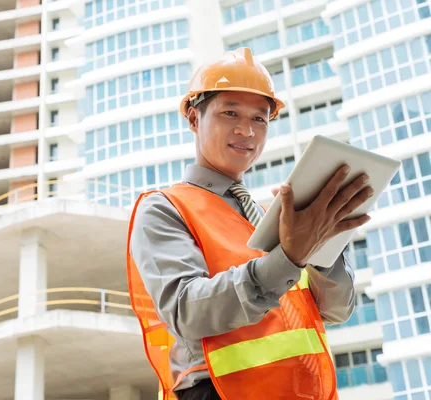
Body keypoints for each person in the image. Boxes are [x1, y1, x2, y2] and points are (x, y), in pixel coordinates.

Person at [126, 47, 374, 400]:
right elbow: (186, 311)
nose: (247, 130)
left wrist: (322, 245)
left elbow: (336, 309)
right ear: (194, 119)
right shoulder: (165, 208)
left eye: (260, 119)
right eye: (230, 113)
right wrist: (287, 257)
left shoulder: (274, 217)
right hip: (219, 392)